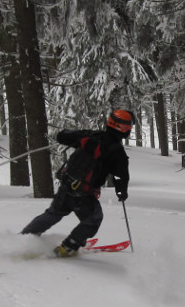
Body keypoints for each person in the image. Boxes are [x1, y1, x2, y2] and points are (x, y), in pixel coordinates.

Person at [21, 109, 132, 257]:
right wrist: (121, 192)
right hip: (83, 194)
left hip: (67, 186)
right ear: (123, 128)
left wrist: (73, 137)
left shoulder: (91, 135)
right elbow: (120, 176)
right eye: (129, 126)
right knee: (93, 219)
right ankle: (69, 246)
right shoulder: (117, 151)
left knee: (53, 214)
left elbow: (62, 136)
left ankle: (24, 238)